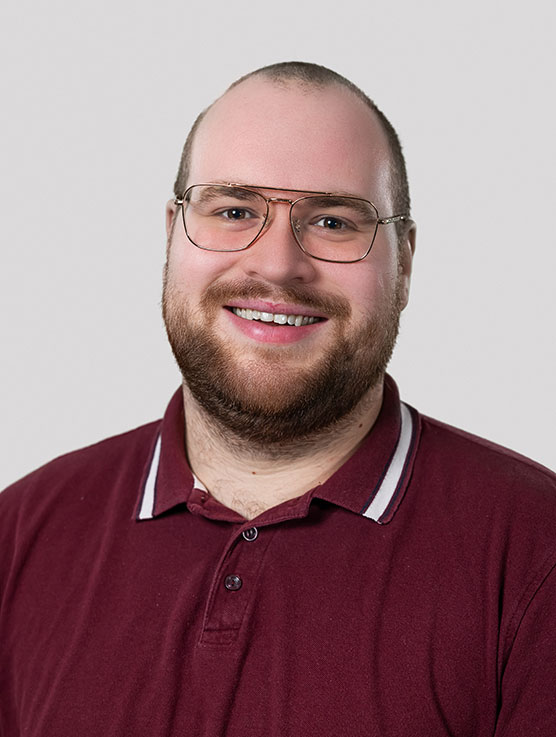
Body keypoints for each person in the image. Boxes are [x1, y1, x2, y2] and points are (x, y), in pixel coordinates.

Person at [1, 61, 555, 737]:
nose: (277, 265)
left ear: (405, 262)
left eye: (333, 221)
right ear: (172, 233)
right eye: (234, 211)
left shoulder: (537, 554)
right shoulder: (17, 536)